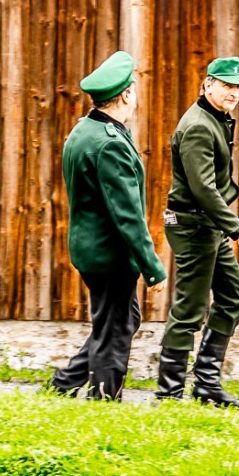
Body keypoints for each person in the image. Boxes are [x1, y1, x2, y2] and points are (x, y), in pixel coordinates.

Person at [47, 51, 167, 401]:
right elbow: (127, 215)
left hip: (90, 247)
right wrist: (153, 267)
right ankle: (104, 401)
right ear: (127, 94)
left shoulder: (85, 131)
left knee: (121, 320)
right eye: (135, 89)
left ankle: (64, 384)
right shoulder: (109, 144)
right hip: (109, 253)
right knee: (115, 331)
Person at [155, 57, 239, 409]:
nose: (234, 92)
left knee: (233, 296)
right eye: (227, 85)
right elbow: (203, 189)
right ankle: (169, 394)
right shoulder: (199, 126)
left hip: (209, 224)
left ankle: (206, 384)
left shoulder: (217, 118)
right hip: (193, 225)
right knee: (189, 309)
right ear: (208, 85)